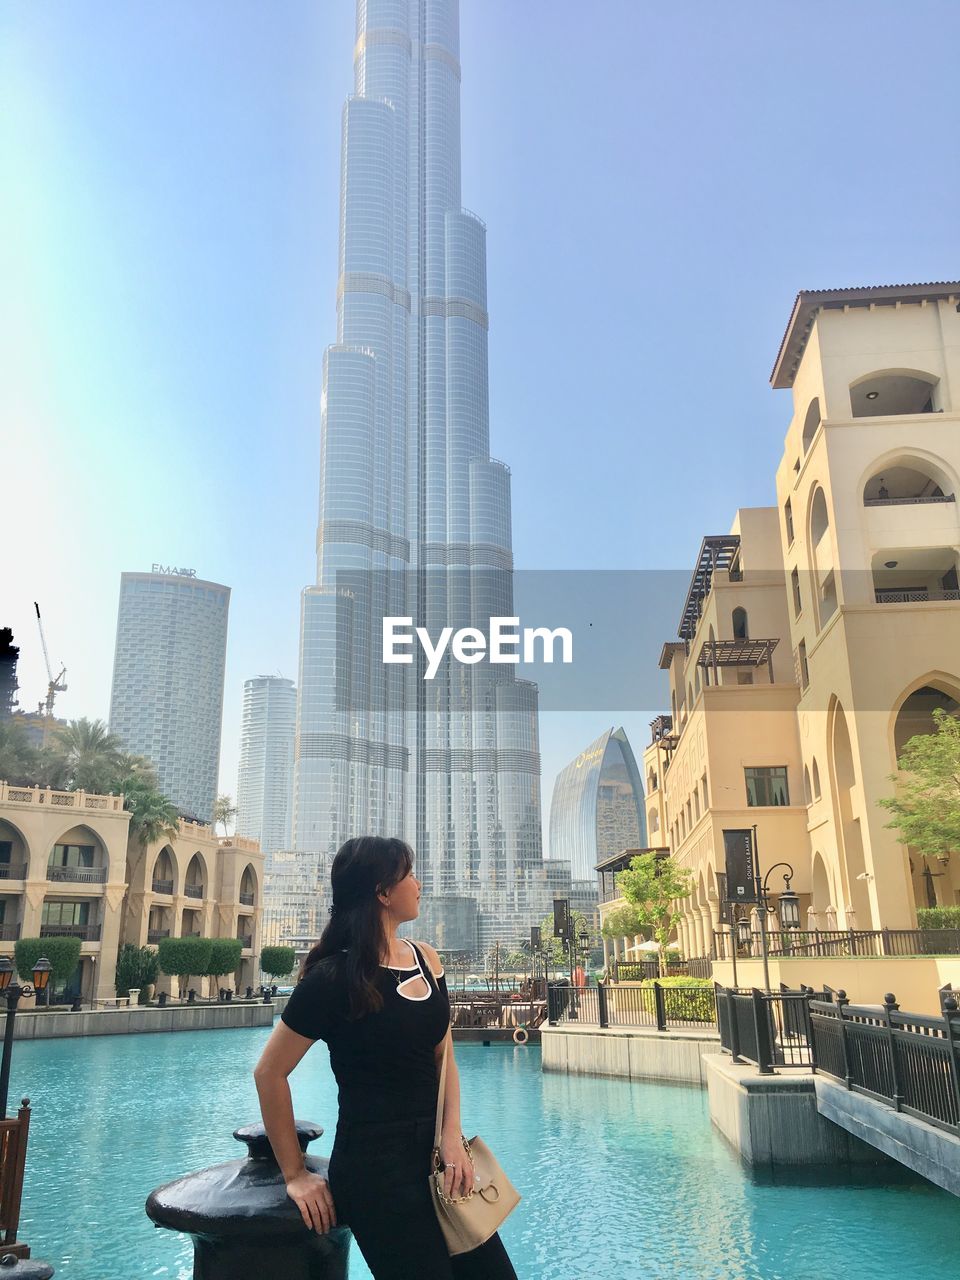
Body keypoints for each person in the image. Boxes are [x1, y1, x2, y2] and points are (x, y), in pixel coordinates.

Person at [254, 835, 519, 1280]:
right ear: (381, 892)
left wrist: (452, 1136)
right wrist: (295, 1174)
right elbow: (269, 1073)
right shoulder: (332, 978)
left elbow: (444, 1060)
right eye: (409, 875)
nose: (418, 885)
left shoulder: (426, 959)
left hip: (439, 1162)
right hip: (375, 1173)